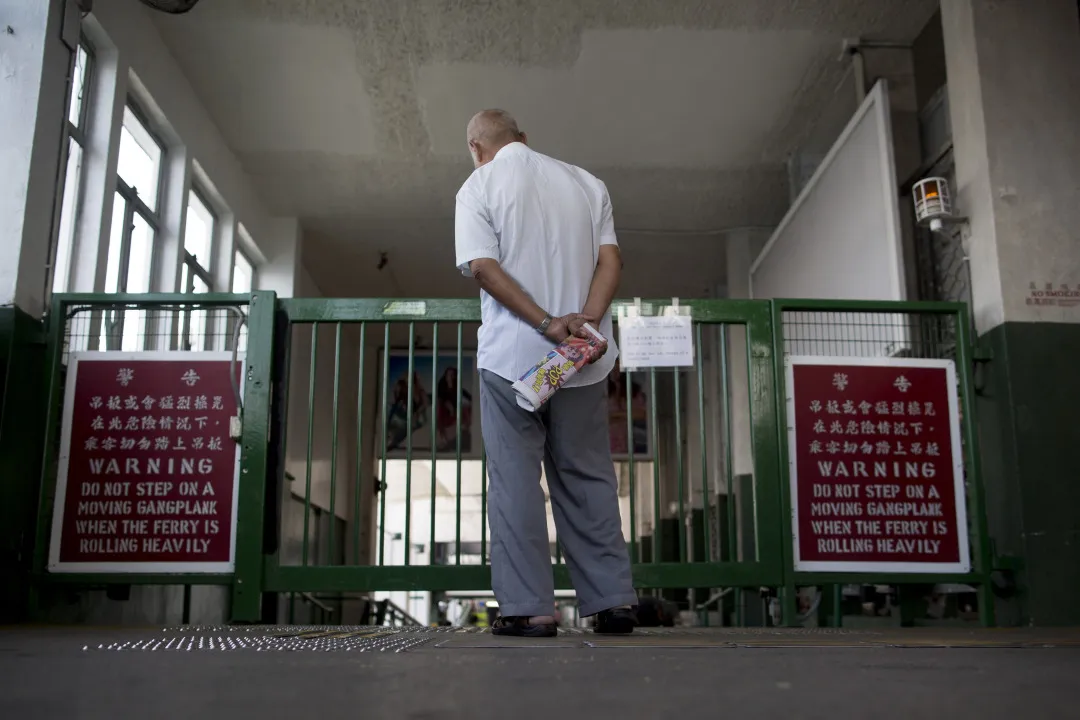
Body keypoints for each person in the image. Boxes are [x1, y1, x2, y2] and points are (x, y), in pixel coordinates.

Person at [454, 109, 638, 637]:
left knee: (515, 481)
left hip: (513, 360)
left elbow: (485, 268)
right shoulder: (586, 183)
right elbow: (611, 260)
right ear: (524, 139)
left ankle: (529, 608)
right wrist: (585, 324)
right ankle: (611, 602)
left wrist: (546, 323)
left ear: (475, 147)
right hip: (580, 361)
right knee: (588, 476)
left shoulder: (477, 186)